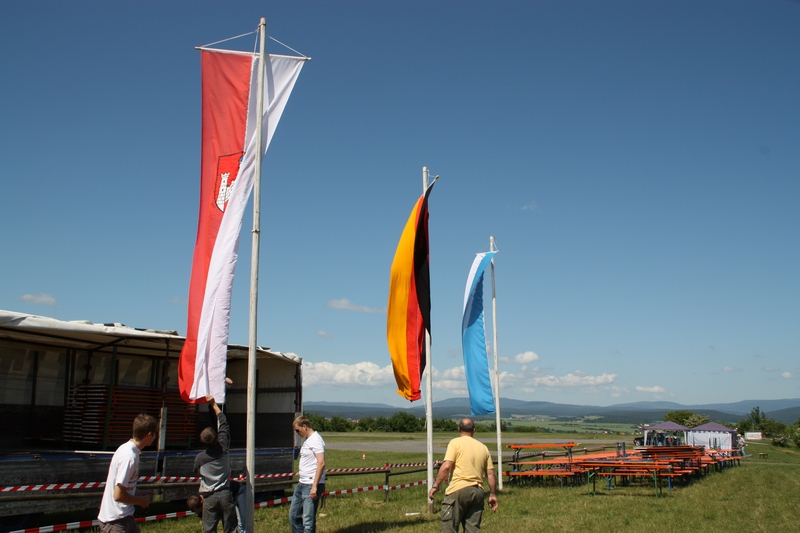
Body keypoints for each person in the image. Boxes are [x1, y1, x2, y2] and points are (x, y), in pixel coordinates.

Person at [428, 418, 498, 533]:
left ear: (459, 429)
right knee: (472, 529)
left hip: (458, 489)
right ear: (474, 430)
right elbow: (490, 473)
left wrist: (435, 486)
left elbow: (446, 466)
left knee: (449, 528)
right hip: (477, 491)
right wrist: (492, 494)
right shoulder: (483, 448)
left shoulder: (455, 443)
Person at [97, 413, 158, 533]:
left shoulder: (130, 451)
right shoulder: (129, 457)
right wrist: (140, 500)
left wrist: (137, 492)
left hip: (125, 518)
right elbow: (118, 495)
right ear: (149, 434)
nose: (156, 437)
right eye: (155, 433)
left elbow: (122, 487)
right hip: (116, 521)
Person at [194, 395, 237, 533]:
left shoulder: (200, 459)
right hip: (225, 493)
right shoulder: (223, 447)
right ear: (216, 438)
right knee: (230, 528)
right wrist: (213, 404)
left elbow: (197, 472)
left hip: (209, 496)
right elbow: (224, 423)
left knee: (209, 529)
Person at [289, 416, 326, 533]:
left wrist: (314, 486)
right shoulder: (308, 440)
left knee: (308, 521)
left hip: (311, 484)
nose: (297, 433)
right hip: (302, 482)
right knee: (293, 516)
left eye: (298, 430)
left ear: (304, 426)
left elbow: (321, 462)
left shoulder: (316, 440)